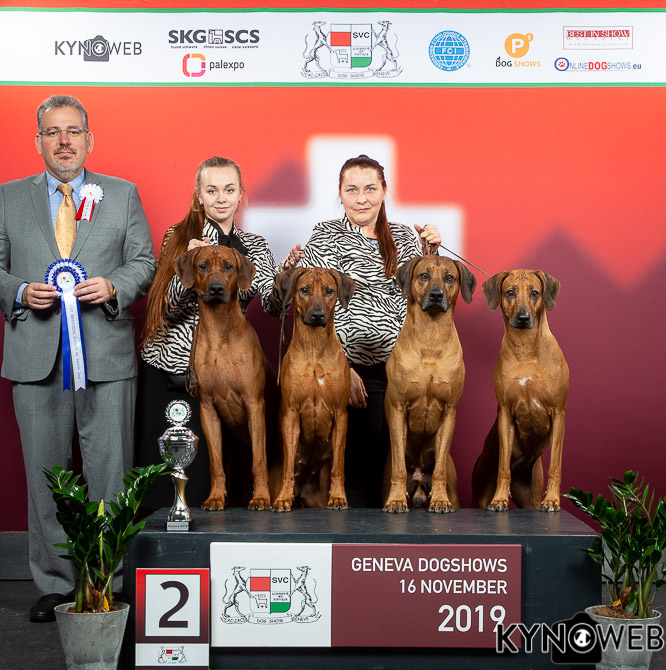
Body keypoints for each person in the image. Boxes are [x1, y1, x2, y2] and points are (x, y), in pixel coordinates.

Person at [0, 95, 155, 621]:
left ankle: (108, 579)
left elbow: (144, 262)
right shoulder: (8, 197)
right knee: (47, 477)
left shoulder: (123, 193)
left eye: (72, 132)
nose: (63, 141)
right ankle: (55, 584)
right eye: (52, 132)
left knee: (111, 477)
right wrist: (19, 291)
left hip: (106, 357)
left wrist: (114, 285)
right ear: (38, 141)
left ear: (89, 139)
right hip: (34, 357)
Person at [137, 156, 301, 509]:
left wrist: (285, 278)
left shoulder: (254, 246)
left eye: (229, 189)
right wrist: (188, 268)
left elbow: (272, 306)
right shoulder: (179, 237)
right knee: (183, 487)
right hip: (175, 371)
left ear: (241, 194)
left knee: (232, 487)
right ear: (199, 195)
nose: (221, 198)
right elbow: (165, 307)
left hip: (231, 365)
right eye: (212, 190)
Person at [297, 155, 441, 506]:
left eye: (370, 189)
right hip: (350, 366)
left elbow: (421, 299)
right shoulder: (325, 235)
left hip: (402, 365)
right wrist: (342, 370)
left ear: (384, 191)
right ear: (340, 194)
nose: (361, 198)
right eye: (352, 190)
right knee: (362, 460)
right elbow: (312, 307)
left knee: (399, 463)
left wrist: (431, 253)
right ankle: (356, 533)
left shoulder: (404, 236)